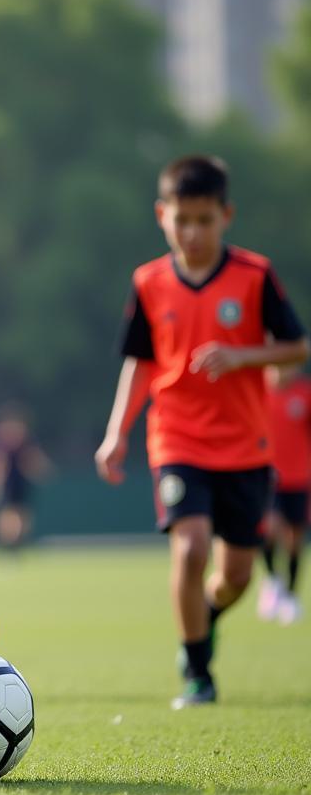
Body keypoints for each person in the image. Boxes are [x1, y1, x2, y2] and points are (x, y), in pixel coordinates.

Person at [95, 155, 308, 709]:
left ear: (226, 216)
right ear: (162, 215)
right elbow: (140, 364)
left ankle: (205, 617)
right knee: (189, 550)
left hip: (245, 447)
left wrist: (243, 357)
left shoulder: (254, 276)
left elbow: (296, 346)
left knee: (235, 575)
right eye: (181, 219)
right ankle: (197, 671)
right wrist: (117, 433)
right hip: (177, 440)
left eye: (204, 220)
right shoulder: (149, 282)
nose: (191, 232)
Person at [258, 364, 311, 624]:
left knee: (294, 539)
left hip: (299, 478)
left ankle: (290, 595)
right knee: (268, 529)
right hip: (266, 478)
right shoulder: (258, 391)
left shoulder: (304, 393)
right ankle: (272, 580)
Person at [0, 401, 52, 553]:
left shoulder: (26, 439)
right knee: (8, 517)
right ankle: (8, 548)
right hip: (6, 484)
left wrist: (43, 471)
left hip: (21, 484)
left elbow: (33, 459)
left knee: (23, 519)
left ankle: (13, 547)